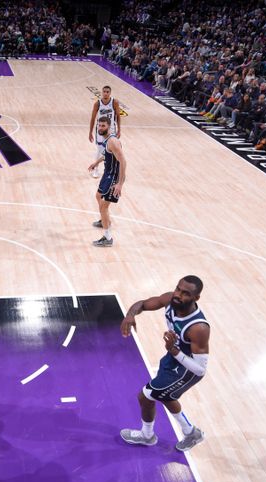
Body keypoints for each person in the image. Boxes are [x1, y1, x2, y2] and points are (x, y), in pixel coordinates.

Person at [119, 276, 210, 452]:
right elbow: (143, 304)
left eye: (185, 294)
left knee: (145, 396)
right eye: (178, 289)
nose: (178, 295)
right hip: (173, 358)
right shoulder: (170, 299)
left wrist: (174, 350)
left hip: (186, 370)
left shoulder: (198, 328)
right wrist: (130, 315)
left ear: (195, 298)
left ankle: (147, 435)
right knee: (166, 395)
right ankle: (191, 433)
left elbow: (200, 370)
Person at [88, 116, 127, 247]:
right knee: (98, 196)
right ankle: (104, 220)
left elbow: (123, 161)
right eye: (99, 125)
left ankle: (107, 237)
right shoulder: (107, 140)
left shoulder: (113, 142)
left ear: (109, 127)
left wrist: (120, 184)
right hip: (107, 174)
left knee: (103, 206)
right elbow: (107, 155)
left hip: (113, 177)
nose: (100, 128)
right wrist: (96, 163)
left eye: (103, 126)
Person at [88, 85, 122, 178]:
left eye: (107, 92)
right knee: (100, 150)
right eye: (104, 91)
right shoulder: (97, 104)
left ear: (110, 93)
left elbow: (118, 116)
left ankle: (113, 170)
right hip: (100, 129)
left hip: (111, 129)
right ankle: (96, 169)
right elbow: (93, 118)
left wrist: (119, 129)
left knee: (113, 149)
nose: (106, 93)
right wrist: (90, 132)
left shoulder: (114, 102)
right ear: (102, 93)